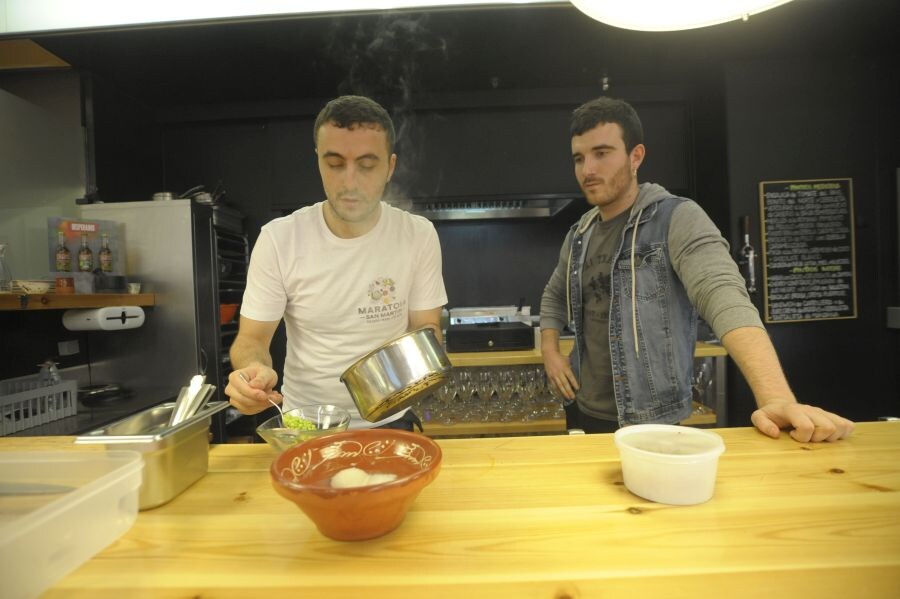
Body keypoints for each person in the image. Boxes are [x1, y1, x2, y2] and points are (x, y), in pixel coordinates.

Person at [540, 96, 853, 443]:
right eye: (579, 158)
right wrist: (551, 352)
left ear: (636, 156)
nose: (588, 170)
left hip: (653, 417)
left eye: (602, 153)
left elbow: (722, 293)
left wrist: (776, 397)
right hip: (585, 408)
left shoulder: (676, 217)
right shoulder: (579, 233)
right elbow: (554, 296)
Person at [226, 95, 447, 430]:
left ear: (389, 167)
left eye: (367, 165)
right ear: (318, 161)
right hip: (308, 421)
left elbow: (426, 329)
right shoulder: (279, 239)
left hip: (392, 417)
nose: (349, 182)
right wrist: (252, 371)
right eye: (335, 163)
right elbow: (252, 340)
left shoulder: (418, 235)